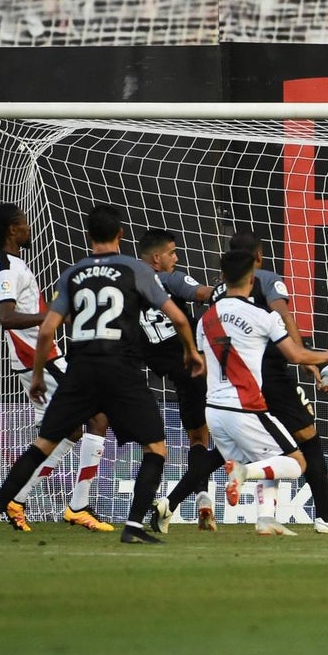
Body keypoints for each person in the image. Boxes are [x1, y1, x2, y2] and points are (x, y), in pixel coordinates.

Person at [0, 203, 205, 544]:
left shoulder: (73, 274)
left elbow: (49, 329)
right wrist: (191, 353)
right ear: (120, 235)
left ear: (89, 237)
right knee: (155, 448)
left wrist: (37, 376)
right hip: (121, 370)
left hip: (80, 369)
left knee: (42, 444)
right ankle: (134, 527)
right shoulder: (135, 269)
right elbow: (180, 319)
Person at [216, 231, 328, 535]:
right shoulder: (266, 279)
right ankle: (325, 518)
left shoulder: (221, 292)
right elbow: (283, 318)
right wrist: (314, 361)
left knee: (257, 448)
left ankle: (261, 517)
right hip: (272, 373)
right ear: (258, 256)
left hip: (234, 380)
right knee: (308, 441)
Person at [0, 203, 113, 533]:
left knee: (66, 431)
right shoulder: (4, 267)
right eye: (24, 224)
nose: (29, 228)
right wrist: (54, 315)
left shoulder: (13, 263)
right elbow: (7, 317)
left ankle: (17, 500)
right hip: (40, 359)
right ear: (13, 229)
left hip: (40, 357)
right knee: (98, 416)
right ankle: (79, 506)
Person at [136, 228, 223, 533]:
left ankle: (202, 503)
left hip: (176, 375)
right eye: (172, 253)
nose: (176, 258)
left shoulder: (127, 284)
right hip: (200, 369)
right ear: (157, 258)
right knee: (239, 439)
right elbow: (203, 294)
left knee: (198, 438)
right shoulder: (170, 279)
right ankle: (172, 502)